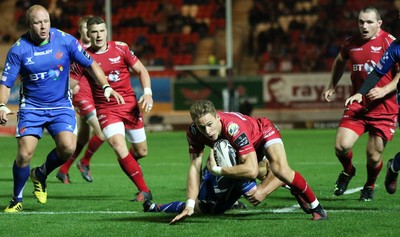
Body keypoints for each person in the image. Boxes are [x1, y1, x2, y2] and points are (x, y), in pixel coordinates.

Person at [0, 5, 123, 213]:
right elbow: (6, 83)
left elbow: (91, 64)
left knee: (68, 148)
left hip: (61, 106)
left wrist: (106, 86)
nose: (43, 26)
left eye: (46, 21)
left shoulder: (65, 40)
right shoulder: (19, 50)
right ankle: (17, 199)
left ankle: (41, 174)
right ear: (29, 24)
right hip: (32, 108)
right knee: (24, 154)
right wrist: (2, 105)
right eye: (38, 22)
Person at [169, 100, 327, 224]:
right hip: (239, 145)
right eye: (202, 127)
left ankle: (317, 208)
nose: (207, 132)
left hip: (263, 132)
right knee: (252, 193)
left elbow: (251, 170)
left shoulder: (233, 128)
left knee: (281, 170)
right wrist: (190, 205)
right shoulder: (193, 132)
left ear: (217, 117)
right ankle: (291, 185)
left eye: (210, 125)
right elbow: (194, 167)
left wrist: (217, 171)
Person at [70, 16, 153, 202]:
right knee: (118, 145)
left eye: (101, 31)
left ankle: (128, 163)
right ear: (88, 35)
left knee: (141, 152)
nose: (98, 35)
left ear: (106, 31)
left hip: (130, 106)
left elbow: (142, 70)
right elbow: (71, 83)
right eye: (94, 32)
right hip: (106, 109)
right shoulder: (83, 57)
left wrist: (147, 93)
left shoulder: (121, 48)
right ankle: (144, 190)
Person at [323, 6, 399, 201]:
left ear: (379, 23)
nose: (364, 26)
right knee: (341, 146)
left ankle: (369, 185)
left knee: (373, 157)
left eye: (369, 22)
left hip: (384, 107)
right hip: (358, 102)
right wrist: (332, 85)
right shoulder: (350, 43)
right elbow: (340, 61)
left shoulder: (390, 43)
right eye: (361, 22)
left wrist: (384, 90)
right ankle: (348, 172)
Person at [56, 15, 106, 184]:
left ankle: (63, 170)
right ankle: (84, 163)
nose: (89, 32)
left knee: (84, 138)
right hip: (81, 96)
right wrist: (70, 85)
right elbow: (61, 67)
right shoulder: (74, 47)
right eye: (86, 28)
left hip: (93, 96)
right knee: (102, 132)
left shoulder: (93, 49)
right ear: (81, 30)